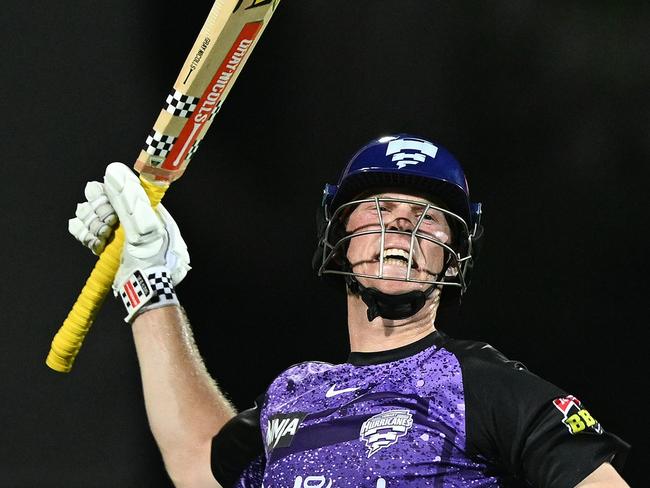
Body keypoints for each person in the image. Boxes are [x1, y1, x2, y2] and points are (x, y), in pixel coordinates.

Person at [69, 133, 630, 488]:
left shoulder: (486, 386)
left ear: (454, 256)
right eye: (380, 206)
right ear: (338, 236)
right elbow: (197, 463)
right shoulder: (295, 391)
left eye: (428, 215)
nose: (402, 223)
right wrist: (149, 285)